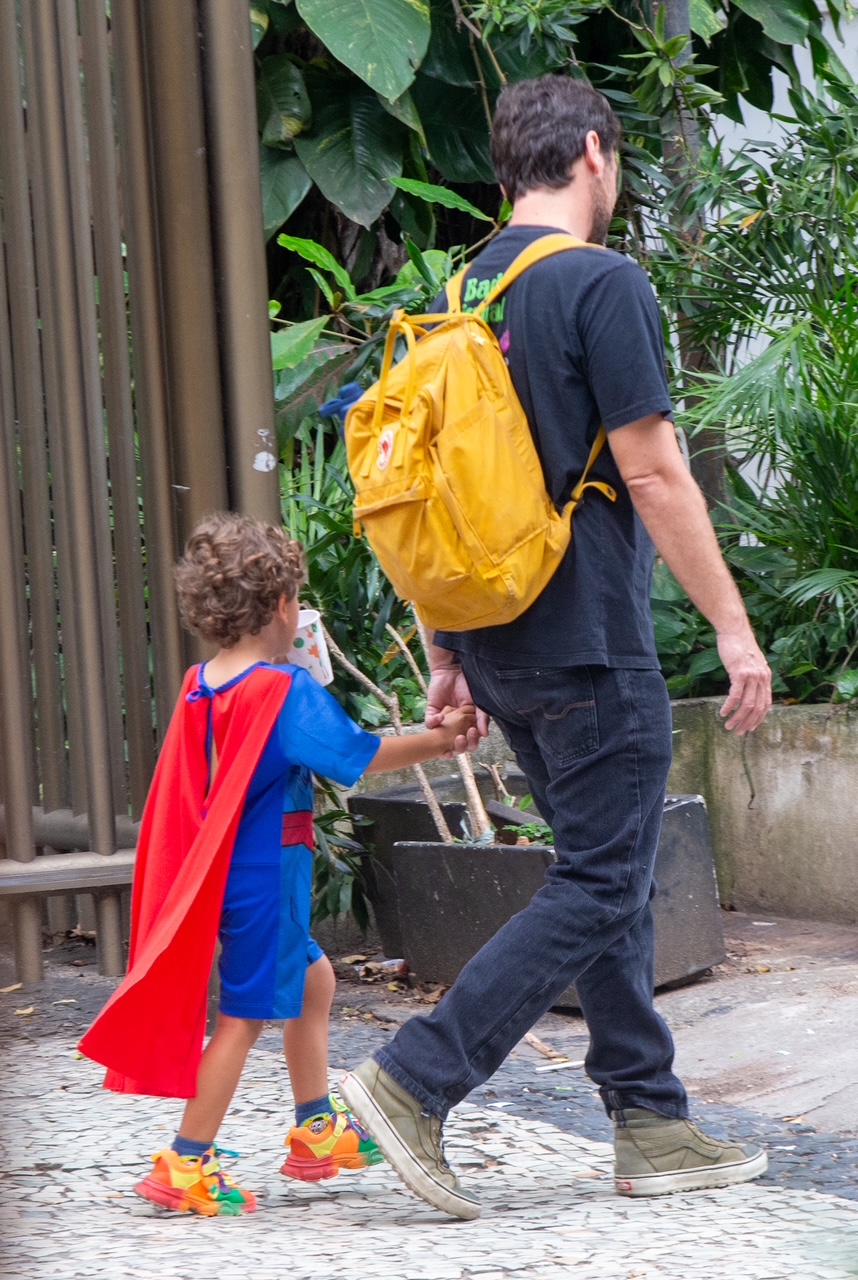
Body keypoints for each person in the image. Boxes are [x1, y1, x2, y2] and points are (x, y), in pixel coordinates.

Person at [340, 75, 773, 1221]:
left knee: (608, 876)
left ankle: (650, 1115)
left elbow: (427, 490)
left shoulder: (462, 288)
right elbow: (654, 469)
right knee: (599, 881)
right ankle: (415, 1077)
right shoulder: (600, 282)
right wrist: (735, 631)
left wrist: (443, 652)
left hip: (493, 642)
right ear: (594, 153)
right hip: (585, 642)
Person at [79, 512, 476, 1217]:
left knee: (314, 983)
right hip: (267, 879)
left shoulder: (203, 682)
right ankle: (187, 1161)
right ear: (286, 607)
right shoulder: (282, 691)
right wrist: (438, 741)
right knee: (243, 1018)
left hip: (228, 875)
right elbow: (357, 756)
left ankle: (315, 1128)